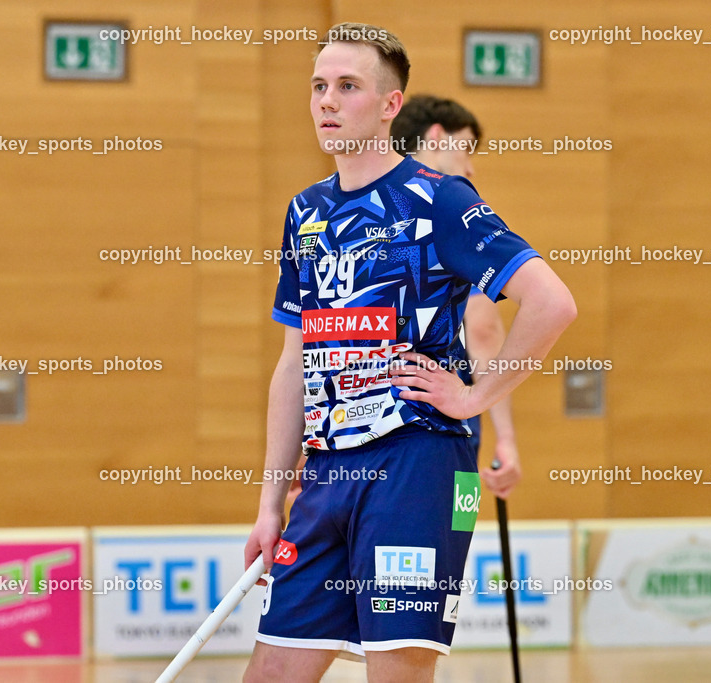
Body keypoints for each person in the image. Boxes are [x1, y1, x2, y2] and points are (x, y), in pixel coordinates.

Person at [244, 22, 575, 682]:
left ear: (391, 105)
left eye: (348, 87)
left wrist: (478, 398)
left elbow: (551, 303)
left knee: (396, 674)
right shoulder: (304, 212)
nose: (327, 102)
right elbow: (293, 363)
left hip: (417, 464)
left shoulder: (441, 199)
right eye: (317, 87)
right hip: (327, 470)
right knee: (273, 671)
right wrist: (269, 500)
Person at [390, 94, 520, 499]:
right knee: (431, 561)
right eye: (465, 148)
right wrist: (506, 438)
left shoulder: (355, 210)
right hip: (434, 428)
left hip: (349, 436)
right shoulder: (453, 212)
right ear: (435, 137)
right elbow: (481, 331)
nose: (470, 166)